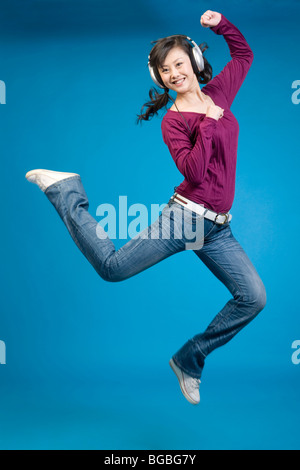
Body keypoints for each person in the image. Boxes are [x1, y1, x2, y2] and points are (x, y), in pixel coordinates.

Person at [25, 10, 266, 405]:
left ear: (194, 62)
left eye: (178, 63)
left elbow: (244, 56)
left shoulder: (219, 93)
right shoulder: (172, 122)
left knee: (253, 297)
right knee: (113, 268)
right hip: (186, 219)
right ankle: (64, 188)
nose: (174, 73)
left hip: (217, 229)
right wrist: (206, 122)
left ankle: (189, 359)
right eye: (164, 70)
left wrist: (220, 23)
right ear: (159, 78)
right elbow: (194, 169)